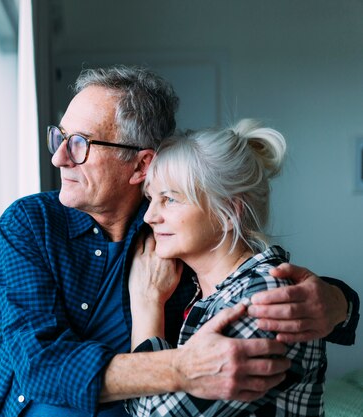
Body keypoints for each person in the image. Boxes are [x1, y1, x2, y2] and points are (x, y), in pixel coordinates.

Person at [0, 66, 359, 417]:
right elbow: (35, 365)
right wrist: (182, 368)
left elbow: (251, 284)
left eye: (79, 142)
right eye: (59, 137)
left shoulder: (174, 237)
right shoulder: (30, 223)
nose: (59, 157)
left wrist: (339, 302)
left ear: (141, 165)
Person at [126, 120, 324, 416]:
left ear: (229, 213)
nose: (150, 216)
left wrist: (147, 304)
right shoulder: (202, 291)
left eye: (169, 199)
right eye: (151, 199)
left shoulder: (264, 298)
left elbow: (153, 414)